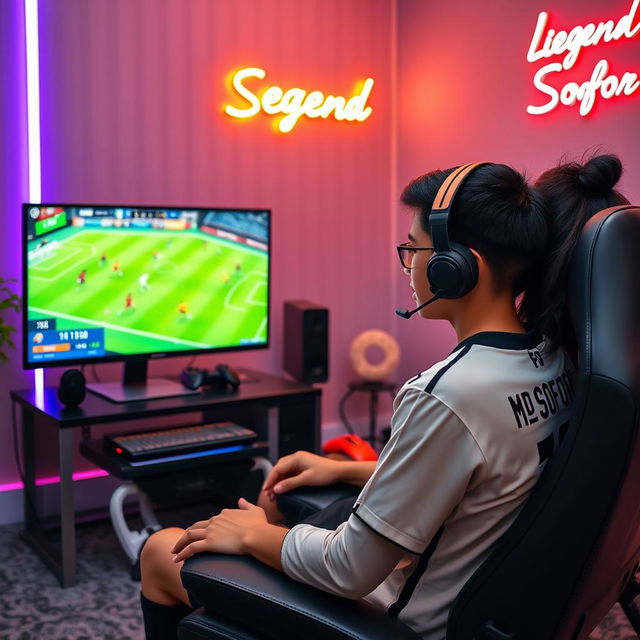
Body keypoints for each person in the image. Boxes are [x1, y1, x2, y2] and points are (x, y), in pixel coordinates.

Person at [139, 155, 628, 640]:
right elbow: (492, 480)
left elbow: (348, 570)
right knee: (285, 495)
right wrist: (352, 469)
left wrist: (254, 535)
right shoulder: (558, 361)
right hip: (477, 605)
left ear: (455, 269)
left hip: (396, 623)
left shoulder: (448, 394)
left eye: (413, 249)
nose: (408, 265)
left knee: (162, 551)